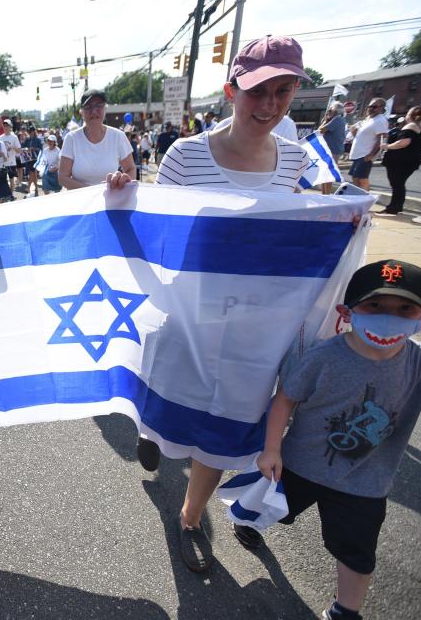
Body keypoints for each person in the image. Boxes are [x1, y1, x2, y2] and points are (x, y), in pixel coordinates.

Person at [132, 35, 311, 572]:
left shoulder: (297, 159)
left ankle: (188, 518)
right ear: (233, 89)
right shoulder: (185, 155)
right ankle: (151, 431)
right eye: (258, 91)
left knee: (226, 423)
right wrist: (126, 196)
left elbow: (304, 231)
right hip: (191, 314)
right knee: (170, 408)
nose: (270, 106)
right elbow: (159, 231)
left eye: (283, 92)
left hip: (259, 326)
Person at [246, 259, 421, 620]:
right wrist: (271, 448)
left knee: (357, 552)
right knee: (270, 510)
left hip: (365, 483)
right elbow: (286, 397)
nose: (388, 317)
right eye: (374, 306)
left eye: (405, 309)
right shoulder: (324, 356)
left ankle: (346, 611)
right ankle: (246, 523)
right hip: (300, 464)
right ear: (346, 313)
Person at [59, 90, 135, 189]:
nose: (94, 111)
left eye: (99, 106)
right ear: (81, 112)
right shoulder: (71, 138)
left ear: (105, 109)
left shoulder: (118, 136)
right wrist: (93, 192)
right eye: (88, 107)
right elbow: (63, 177)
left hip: (111, 200)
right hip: (80, 201)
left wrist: (123, 183)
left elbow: (131, 168)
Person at [379, 106, 421, 215]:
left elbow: (403, 142)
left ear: (411, 115)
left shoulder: (411, 126)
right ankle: (397, 206)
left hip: (400, 160)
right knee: (399, 184)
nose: (406, 115)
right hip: (413, 160)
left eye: (407, 113)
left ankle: (393, 208)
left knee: (397, 183)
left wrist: (386, 146)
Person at [348, 97, 389, 191]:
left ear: (381, 108)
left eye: (374, 107)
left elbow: (381, 139)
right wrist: (353, 130)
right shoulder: (367, 119)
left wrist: (371, 155)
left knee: (362, 179)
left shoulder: (381, 120)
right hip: (358, 153)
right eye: (369, 106)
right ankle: (358, 198)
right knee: (355, 177)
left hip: (365, 154)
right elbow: (357, 135)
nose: (370, 108)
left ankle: (364, 199)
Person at [319, 102, 347, 194]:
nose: (328, 112)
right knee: (325, 174)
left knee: (328, 174)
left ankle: (326, 195)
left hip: (333, 151)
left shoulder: (338, 119)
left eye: (331, 110)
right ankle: (324, 194)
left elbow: (321, 130)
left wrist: (325, 119)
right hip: (329, 150)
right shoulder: (334, 119)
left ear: (337, 111)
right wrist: (326, 118)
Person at [0, 119, 22, 192]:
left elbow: (19, 150)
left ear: (10, 127)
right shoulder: (0, 137)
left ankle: (11, 194)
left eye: (7, 125)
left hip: (11, 162)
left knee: (11, 179)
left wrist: (12, 147)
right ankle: (5, 194)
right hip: (2, 162)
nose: (5, 127)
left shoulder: (14, 137)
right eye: (4, 125)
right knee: (3, 179)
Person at [21, 126, 43, 195]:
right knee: (34, 174)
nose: (31, 133)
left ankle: (28, 187)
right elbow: (23, 148)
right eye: (30, 131)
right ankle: (36, 187)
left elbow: (41, 150)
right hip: (29, 158)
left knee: (32, 173)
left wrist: (35, 149)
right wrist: (27, 149)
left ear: (34, 131)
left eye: (32, 131)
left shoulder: (38, 140)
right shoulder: (27, 140)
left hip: (36, 158)